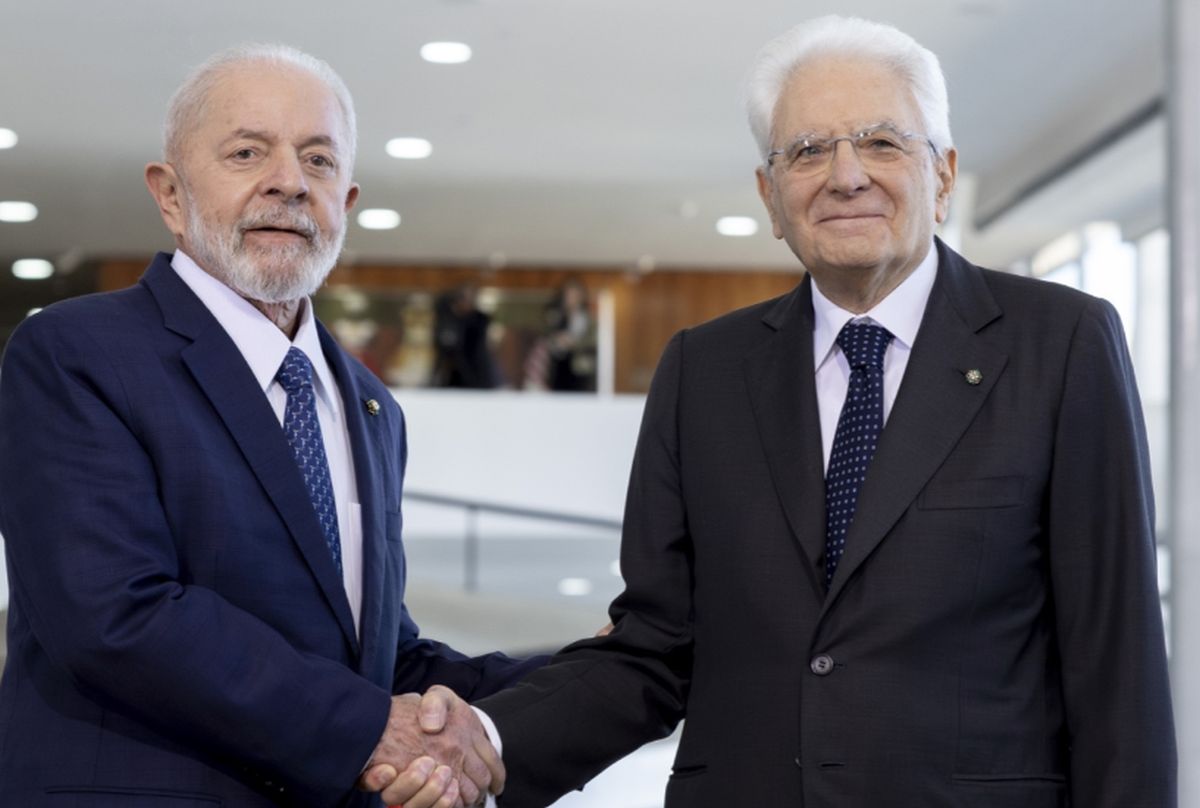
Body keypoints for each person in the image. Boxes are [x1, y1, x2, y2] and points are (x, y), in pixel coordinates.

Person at [416, 14, 1178, 808]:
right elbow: (653, 647)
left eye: (881, 142)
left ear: (944, 175)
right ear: (769, 196)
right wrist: (487, 739)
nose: (846, 176)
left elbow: (1116, 664)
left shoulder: (1062, 344)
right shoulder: (702, 371)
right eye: (808, 151)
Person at [0, 44, 543, 807]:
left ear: (345, 202)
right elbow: (113, 613)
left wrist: (592, 670)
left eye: (318, 160)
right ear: (170, 194)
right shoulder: (75, 352)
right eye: (247, 152)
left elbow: (379, 663)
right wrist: (367, 728)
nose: (289, 181)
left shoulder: (371, 407)